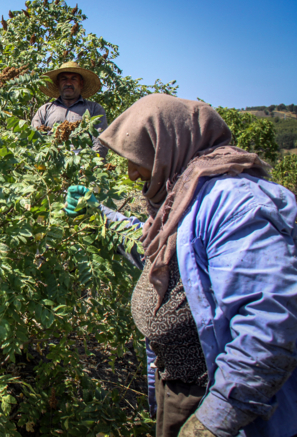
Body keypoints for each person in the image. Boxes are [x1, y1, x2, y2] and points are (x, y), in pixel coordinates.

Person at [88, 94, 297, 437]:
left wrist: (212, 423)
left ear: (167, 147)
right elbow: (159, 253)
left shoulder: (235, 203)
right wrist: (100, 216)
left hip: (219, 400)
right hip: (177, 383)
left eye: (137, 158)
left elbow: (268, 329)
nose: (130, 173)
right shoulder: (184, 193)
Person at [31, 61, 109, 159]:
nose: (68, 83)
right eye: (64, 79)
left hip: (82, 165)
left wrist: (91, 165)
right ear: (58, 83)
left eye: (73, 79)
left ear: (81, 83)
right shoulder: (45, 110)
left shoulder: (94, 109)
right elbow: (34, 139)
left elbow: (100, 142)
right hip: (51, 164)